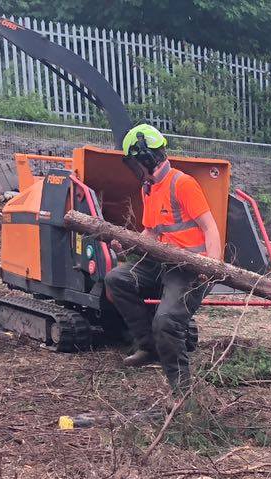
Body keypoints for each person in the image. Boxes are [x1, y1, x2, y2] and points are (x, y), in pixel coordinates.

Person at [104, 123, 222, 391]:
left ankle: (183, 393)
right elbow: (151, 232)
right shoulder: (148, 189)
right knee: (117, 279)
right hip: (162, 261)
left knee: (167, 321)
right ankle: (149, 347)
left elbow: (209, 227)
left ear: (146, 157)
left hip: (191, 267)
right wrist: (126, 246)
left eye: (135, 162)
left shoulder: (182, 184)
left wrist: (211, 266)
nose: (134, 169)